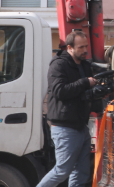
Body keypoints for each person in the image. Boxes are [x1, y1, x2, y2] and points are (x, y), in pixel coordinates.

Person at [37, 30, 98, 187]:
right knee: (62, 171)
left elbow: (84, 93)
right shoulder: (58, 64)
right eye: (80, 47)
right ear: (69, 47)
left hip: (81, 126)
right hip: (65, 127)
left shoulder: (84, 65)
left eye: (86, 46)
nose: (85, 50)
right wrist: (85, 82)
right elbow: (59, 91)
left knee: (81, 172)